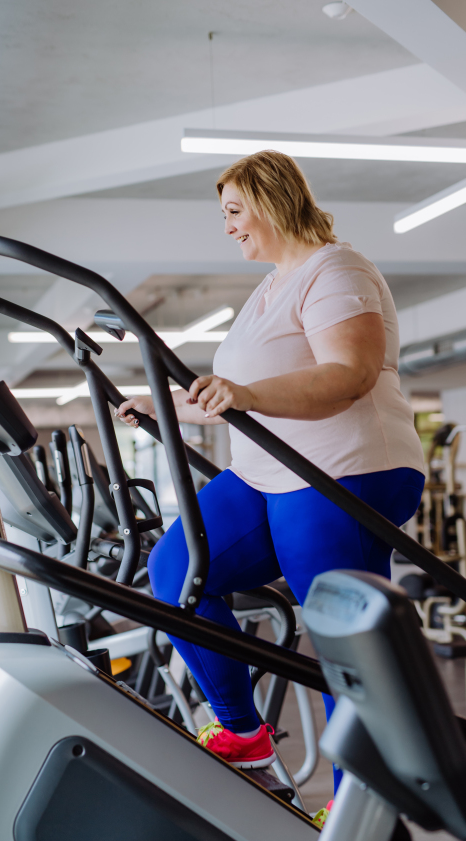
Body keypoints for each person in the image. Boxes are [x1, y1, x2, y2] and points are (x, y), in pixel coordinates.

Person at [116, 151, 425, 789]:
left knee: (342, 643)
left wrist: (246, 396)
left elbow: (351, 375)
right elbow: (235, 390)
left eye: (234, 211)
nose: (228, 226)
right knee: (177, 570)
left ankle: (360, 813)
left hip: (342, 470)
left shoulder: (335, 269)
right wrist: (160, 407)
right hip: (267, 473)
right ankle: (244, 734)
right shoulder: (270, 286)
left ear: (271, 201)